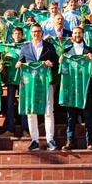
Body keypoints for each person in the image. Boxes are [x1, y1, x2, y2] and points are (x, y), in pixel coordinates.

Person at [17, 23, 59, 151]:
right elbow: (20, 62)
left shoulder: (49, 47)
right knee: (31, 112)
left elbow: (56, 63)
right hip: (30, 86)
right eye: (34, 31)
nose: (36, 33)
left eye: (39, 31)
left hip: (45, 83)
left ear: (42, 32)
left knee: (48, 111)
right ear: (31, 33)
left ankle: (50, 140)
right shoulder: (25, 48)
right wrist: (19, 63)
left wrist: (51, 63)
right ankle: (34, 140)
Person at [60, 26, 92, 150]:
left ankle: (90, 142)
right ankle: (70, 141)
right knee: (70, 117)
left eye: (79, 33)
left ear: (83, 34)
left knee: (88, 116)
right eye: (75, 33)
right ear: (72, 36)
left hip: (86, 89)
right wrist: (61, 61)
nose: (77, 35)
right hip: (70, 89)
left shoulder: (90, 50)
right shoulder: (66, 51)